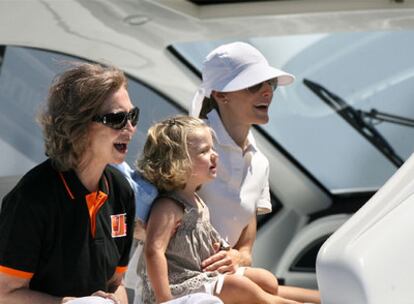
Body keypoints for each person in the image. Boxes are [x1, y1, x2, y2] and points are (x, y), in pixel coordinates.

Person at [136, 115, 319, 304]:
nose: (215, 155)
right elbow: (153, 251)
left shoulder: (196, 201)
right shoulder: (169, 206)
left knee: (267, 280)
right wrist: (165, 299)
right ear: (178, 161)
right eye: (204, 151)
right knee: (243, 288)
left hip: (202, 275)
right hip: (179, 286)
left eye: (212, 148)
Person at [0, 62, 137, 304]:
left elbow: (116, 284)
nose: (131, 128)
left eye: (133, 116)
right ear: (80, 126)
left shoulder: (121, 191)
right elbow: (5, 294)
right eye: (117, 119)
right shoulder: (32, 198)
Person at [190, 41, 294, 274]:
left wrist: (239, 256)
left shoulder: (260, 162)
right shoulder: (188, 144)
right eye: (255, 84)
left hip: (222, 282)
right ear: (220, 95)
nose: (267, 91)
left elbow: (245, 247)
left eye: (271, 83)